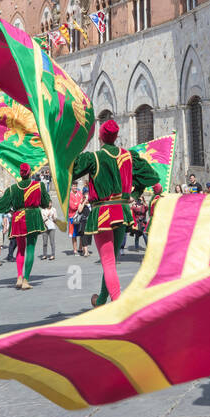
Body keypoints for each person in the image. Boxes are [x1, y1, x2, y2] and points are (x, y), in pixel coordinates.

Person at [70, 120, 160, 306]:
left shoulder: (94, 157)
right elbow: (151, 176)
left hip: (102, 213)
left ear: (101, 137)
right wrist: (133, 194)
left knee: (109, 263)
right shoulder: (128, 156)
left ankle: (118, 307)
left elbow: (69, 172)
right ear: (116, 137)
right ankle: (102, 299)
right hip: (122, 212)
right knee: (110, 261)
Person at [0, 163, 49, 290]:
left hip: (18, 218)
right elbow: (45, 203)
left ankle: (19, 277)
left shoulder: (12, 189)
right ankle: (26, 280)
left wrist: (11, 209)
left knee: (20, 249)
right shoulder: (38, 185)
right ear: (30, 173)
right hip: (32, 216)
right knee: (30, 249)